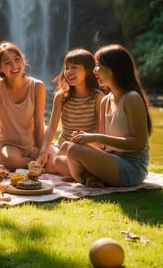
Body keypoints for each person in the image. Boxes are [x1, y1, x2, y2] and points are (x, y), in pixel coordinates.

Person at [65, 44, 152, 188]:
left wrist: (95, 137)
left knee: (73, 150)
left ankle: (89, 177)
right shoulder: (106, 100)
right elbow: (102, 146)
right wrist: (84, 137)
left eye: (98, 65)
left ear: (114, 68)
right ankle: (91, 178)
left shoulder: (131, 98)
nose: (94, 71)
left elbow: (140, 142)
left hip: (132, 166)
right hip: (112, 158)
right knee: (69, 148)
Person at [0, 41, 46, 171]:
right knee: (10, 161)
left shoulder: (37, 86)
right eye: (7, 62)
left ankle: (34, 161)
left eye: (17, 59)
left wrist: (39, 149)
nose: (14, 65)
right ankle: (35, 164)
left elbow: (39, 123)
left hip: (31, 142)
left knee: (51, 157)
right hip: (7, 145)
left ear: (23, 60)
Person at [37, 48, 104, 174]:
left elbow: (101, 135)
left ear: (88, 71)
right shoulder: (61, 96)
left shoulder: (98, 97)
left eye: (74, 67)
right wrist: (43, 153)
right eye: (67, 67)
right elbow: (52, 128)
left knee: (57, 162)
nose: (68, 72)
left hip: (87, 149)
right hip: (62, 148)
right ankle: (84, 173)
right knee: (48, 161)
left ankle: (79, 171)